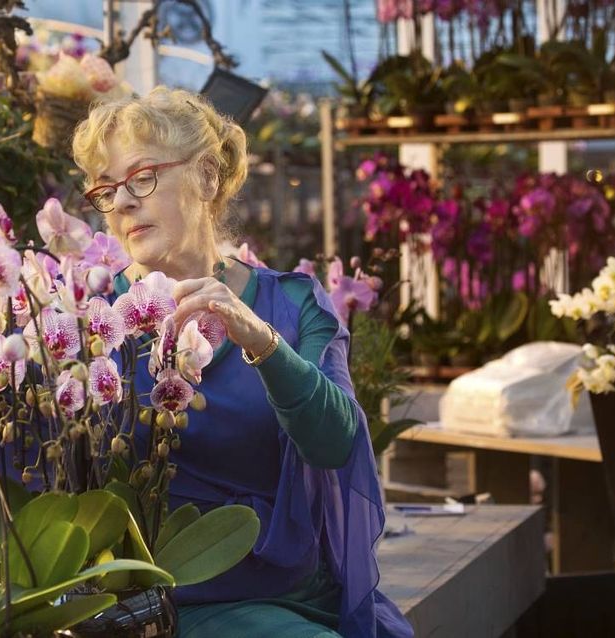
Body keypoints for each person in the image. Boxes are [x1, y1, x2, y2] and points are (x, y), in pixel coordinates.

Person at [70, 86, 413, 638]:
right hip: (138, 607)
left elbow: (335, 443)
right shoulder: (91, 319)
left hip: (282, 597)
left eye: (142, 177)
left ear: (207, 177)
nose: (124, 202)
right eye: (108, 190)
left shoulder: (294, 305)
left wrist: (260, 340)